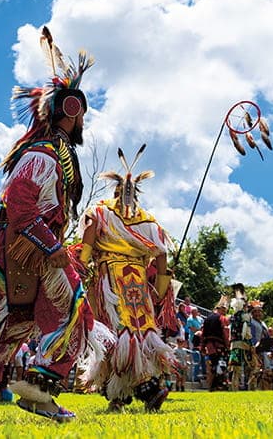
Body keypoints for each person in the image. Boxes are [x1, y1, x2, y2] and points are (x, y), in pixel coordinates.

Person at [0, 27, 110, 423]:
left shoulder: (53, 153)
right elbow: (18, 202)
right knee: (75, 309)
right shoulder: (43, 154)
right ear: (70, 111)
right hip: (27, 246)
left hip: (18, 246)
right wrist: (51, 249)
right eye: (79, 109)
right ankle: (41, 388)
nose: (83, 117)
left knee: (17, 321)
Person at [76, 150, 178, 411]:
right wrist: (160, 290)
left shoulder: (99, 212)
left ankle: (147, 388)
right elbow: (162, 255)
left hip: (110, 281)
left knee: (117, 332)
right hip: (139, 284)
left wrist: (80, 266)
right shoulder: (149, 222)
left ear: (116, 191)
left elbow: (87, 240)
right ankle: (118, 396)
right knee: (138, 332)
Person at [200, 304, 229, 391]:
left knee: (213, 364)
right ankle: (217, 385)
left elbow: (203, 333)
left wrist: (203, 346)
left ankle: (212, 386)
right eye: (223, 310)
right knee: (220, 364)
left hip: (209, 345)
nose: (224, 312)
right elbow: (225, 332)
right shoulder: (222, 318)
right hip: (219, 344)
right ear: (218, 309)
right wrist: (227, 344)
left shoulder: (207, 319)